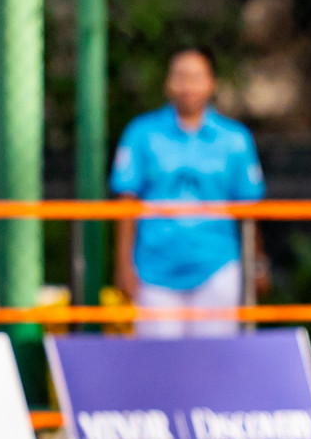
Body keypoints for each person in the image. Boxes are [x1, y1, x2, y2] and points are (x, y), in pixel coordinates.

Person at [110, 47, 266, 338]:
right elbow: (126, 204)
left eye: (196, 77)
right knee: (161, 366)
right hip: (154, 270)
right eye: (180, 77)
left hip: (217, 266)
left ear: (212, 83)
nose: (187, 86)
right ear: (168, 83)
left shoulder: (235, 139)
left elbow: (249, 209)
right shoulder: (141, 133)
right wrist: (123, 265)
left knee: (212, 364)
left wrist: (256, 264)